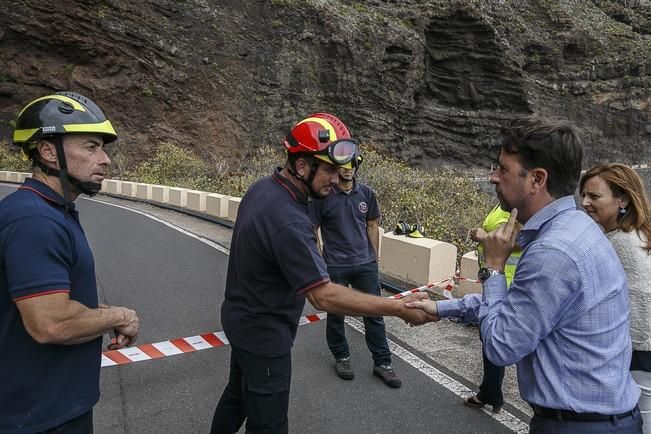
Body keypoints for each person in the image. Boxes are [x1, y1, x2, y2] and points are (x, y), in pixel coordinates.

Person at [406, 116, 643, 433]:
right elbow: (521, 307)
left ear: (537, 179)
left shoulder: (552, 252)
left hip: (576, 425)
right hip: (605, 419)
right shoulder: (578, 227)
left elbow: (501, 346)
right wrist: (440, 307)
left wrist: (493, 268)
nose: (492, 177)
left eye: (503, 169)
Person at [210, 113, 434, 434]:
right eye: (328, 169)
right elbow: (322, 295)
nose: (336, 178)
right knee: (269, 424)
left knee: (238, 396)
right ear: (302, 167)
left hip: (240, 320)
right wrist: (397, 307)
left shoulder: (262, 189)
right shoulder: (289, 219)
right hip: (265, 336)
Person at [0, 92, 140, 433]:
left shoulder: (51, 210)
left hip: (51, 407)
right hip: (36, 417)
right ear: (49, 151)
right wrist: (119, 315)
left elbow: (52, 300)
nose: (105, 159)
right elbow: (51, 323)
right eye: (91, 147)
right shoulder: (35, 220)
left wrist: (102, 316)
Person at [309, 154, 401, 388]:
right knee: (336, 314)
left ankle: (383, 363)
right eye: (343, 166)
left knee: (375, 314)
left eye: (352, 165)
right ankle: (342, 357)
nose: (348, 170)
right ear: (336, 168)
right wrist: (320, 262)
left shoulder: (367, 194)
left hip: (365, 265)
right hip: (335, 265)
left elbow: (372, 225)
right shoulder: (324, 196)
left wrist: (374, 259)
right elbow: (313, 229)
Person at [580, 163, 651, 433]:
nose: (585, 202)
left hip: (638, 355)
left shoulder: (617, 244)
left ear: (622, 199)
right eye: (584, 195)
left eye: (594, 196)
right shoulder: (639, 234)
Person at [464, 204, 521, 413]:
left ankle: (492, 393)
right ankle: (490, 391)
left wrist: (483, 237)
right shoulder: (504, 204)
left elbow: (517, 240)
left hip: (507, 281)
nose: (495, 178)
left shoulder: (519, 208)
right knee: (487, 336)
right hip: (494, 278)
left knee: (493, 337)